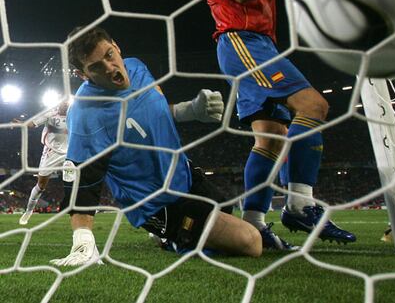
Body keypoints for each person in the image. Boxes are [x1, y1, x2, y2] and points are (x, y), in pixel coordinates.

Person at [200, 0, 356, 246]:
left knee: (270, 137)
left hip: (263, 46)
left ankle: (254, 223)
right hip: (240, 42)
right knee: (314, 106)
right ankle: (300, 205)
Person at [51, 26, 262, 266]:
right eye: (96, 67)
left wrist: (191, 110)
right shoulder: (85, 113)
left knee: (226, 212)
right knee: (249, 241)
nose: (110, 68)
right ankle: (171, 237)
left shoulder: (137, 67)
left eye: (109, 55)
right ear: (83, 74)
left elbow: (154, 112)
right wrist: (83, 239)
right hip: (156, 204)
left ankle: (170, 237)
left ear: (117, 47)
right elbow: (81, 178)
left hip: (185, 177)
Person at [14, 101, 69, 225]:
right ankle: (29, 211)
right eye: (63, 103)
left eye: (67, 103)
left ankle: (84, 206)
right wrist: (22, 124)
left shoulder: (74, 114)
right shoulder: (50, 114)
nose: (65, 105)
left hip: (68, 153)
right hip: (51, 153)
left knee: (78, 178)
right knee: (41, 186)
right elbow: (33, 123)